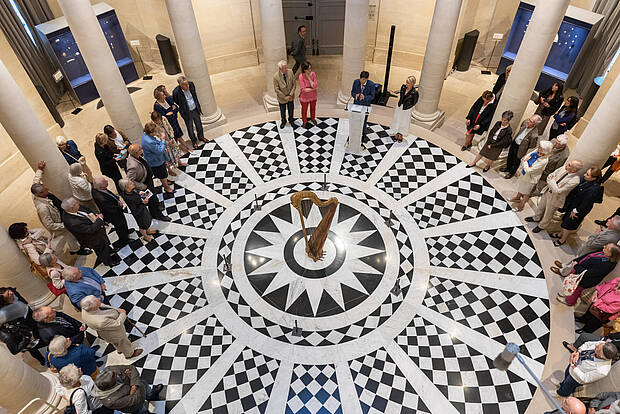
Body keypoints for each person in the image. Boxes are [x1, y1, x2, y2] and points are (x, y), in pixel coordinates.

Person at [31, 162, 87, 256]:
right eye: (45, 190)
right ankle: (75, 250)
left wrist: (39, 169)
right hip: (60, 221)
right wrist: (64, 225)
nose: (47, 188)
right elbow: (49, 225)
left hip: (60, 212)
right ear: (40, 194)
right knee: (69, 236)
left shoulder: (36, 191)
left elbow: (35, 180)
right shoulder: (42, 208)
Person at [526, 160, 583, 233]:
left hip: (556, 198)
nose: (566, 165)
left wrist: (552, 181)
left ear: (574, 170)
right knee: (541, 206)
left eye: (569, 165)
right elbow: (550, 176)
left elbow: (558, 191)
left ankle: (541, 226)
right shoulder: (564, 168)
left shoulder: (575, 181)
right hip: (547, 191)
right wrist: (553, 183)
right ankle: (536, 218)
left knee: (548, 214)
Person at [61, 197, 120, 267]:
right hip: (93, 239)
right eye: (76, 203)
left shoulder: (75, 208)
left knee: (105, 244)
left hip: (98, 231)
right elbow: (90, 230)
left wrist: (95, 215)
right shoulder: (72, 222)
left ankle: (109, 251)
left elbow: (87, 210)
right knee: (101, 250)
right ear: (72, 208)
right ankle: (108, 261)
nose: (78, 203)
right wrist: (99, 219)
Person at [552, 168, 604, 246]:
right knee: (565, 221)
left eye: (587, 174)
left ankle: (562, 239)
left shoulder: (594, 189)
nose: (584, 175)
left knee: (567, 225)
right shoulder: (586, 181)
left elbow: (586, 203)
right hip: (573, 205)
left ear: (594, 178)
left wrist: (575, 211)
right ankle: (560, 234)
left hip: (578, 210)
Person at [555, 244, 620, 306]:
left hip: (585, 280)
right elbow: (588, 255)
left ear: (611, 254)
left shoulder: (607, 265)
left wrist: (576, 266)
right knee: (572, 286)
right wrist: (577, 261)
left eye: (606, 248)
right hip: (580, 271)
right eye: (606, 245)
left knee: (576, 290)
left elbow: (588, 273)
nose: (604, 246)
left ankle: (570, 302)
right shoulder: (602, 252)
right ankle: (568, 295)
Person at [551, 340, 618, 396]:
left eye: (597, 349)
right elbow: (587, 344)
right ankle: (561, 384)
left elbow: (585, 378)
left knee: (568, 386)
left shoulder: (603, 371)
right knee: (566, 375)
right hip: (574, 364)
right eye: (598, 345)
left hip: (576, 377)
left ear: (601, 356)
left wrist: (573, 366)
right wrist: (578, 352)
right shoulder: (602, 344)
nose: (596, 346)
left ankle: (560, 393)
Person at [0, 287, 45, 365]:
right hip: (22, 324)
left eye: (9, 291)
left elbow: (24, 302)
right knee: (31, 347)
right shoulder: (5, 312)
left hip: (30, 315)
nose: (11, 293)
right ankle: (42, 361)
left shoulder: (13, 292)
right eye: (8, 295)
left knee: (41, 333)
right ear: (4, 302)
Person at [126, 144, 170, 222]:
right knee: (152, 200)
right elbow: (130, 181)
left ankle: (155, 210)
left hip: (148, 181)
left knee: (153, 198)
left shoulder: (136, 156)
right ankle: (158, 215)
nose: (142, 149)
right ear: (136, 153)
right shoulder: (133, 166)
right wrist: (143, 186)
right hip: (144, 185)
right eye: (140, 149)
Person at [92, 365, 163, 413]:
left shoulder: (110, 370)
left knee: (145, 387)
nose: (115, 373)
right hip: (133, 406)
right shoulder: (111, 401)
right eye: (114, 377)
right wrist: (133, 381)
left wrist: (133, 385)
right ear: (110, 385)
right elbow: (136, 400)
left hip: (136, 387)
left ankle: (151, 395)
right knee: (141, 410)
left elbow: (132, 368)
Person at [510, 140, 554, 211]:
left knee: (526, 193)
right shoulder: (537, 151)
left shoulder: (543, 161)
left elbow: (529, 170)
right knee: (521, 188)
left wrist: (525, 162)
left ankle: (521, 206)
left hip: (530, 179)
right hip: (524, 174)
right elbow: (525, 157)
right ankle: (517, 198)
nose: (538, 147)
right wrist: (526, 161)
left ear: (544, 150)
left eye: (540, 147)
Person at [92, 176, 130, 249]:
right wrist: (120, 206)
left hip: (115, 209)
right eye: (105, 181)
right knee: (120, 227)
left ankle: (126, 232)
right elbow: (112, 209)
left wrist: (117, 199)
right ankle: (124, 241)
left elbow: (109, 194)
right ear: (101, 187)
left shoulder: (99, 189)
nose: (107, 181)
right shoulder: (101, 198)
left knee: (123, 224)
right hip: (114, 215)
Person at [500, 114, 541, 179]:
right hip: (515, 143)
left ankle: (511, 173)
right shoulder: (525, 122)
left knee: (516, 161)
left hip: (521, 148)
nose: (528, 122)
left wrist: (525, 146)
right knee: (510, 156)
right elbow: (521, 128)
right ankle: (508, 168)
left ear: (535, 124)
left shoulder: (534, 134)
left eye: (531, 122)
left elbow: (532, 145)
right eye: (529, 119)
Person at [172, 75, 206, 149]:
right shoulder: (176, 92)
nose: (187, 86)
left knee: (199, 124)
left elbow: (194, 95)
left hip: (195, 109)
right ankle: (194, 141)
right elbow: (176, 101)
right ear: (180, 85)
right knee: (190, 128)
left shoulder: (191, 84)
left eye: (187, 83)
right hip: (187, 112)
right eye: (185, 85)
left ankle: (201, 137)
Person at [118, 179, 156, 243]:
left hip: (143, 210)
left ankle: (148, 231)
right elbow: (135, 210)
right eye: (130, 184)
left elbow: (137, 197)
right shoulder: (129, 198)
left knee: (147, 221)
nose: (133, 183)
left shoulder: (131, 191)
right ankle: (145, 236)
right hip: (139, 214)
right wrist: (143, 203)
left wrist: (140, 193)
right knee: (142, 226)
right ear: (126, 187)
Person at [151, 111, 187, 176]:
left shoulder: (164, 118)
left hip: (170, 138)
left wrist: (172, 136)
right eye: (156, 120)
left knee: (176, 151)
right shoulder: (153, 126)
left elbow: (170, 127)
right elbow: (157, 137)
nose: (157, 121)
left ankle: (179, 162)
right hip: (163, 143)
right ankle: (169, 170)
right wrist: (167, 143)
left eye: (158, 119)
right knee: (167, 157)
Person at [141, 122, 173, 193]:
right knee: (162, 174)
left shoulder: (145, 133)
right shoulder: (149, 142)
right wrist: (163, 140)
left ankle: (165, 181)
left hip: (155, 158)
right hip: (156, 161)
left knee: (162, 173)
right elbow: (160, 151)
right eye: (155, 131)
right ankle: (166, 187)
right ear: (151, 133)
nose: (157, 132)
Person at [390, 75, 419, 142]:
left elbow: (414, 102)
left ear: (412, 83)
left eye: (408, 83)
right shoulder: (403, 87)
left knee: (404, 122)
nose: (406, 84)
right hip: (400, 106)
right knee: (397, 119)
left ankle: (401, 135)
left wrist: (408, 107)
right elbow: (401, 96)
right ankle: (396, 133)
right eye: (406, 82)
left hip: (406, 109)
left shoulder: (414, 93)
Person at [351, 70, 376, 143]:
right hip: (357, 105)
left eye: (363, 80)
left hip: (365, 105)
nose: (362, 81)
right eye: (361, 79)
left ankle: (364, 135)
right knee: (355, 120)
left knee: (364, 121)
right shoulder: (356, 82)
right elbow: (352, 92)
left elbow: (372, 96)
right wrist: (355, 95)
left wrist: (364, 97)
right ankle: (354, 134)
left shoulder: (371, 85)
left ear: (367, 79)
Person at [274, 60, 297, 129]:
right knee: (282, 111)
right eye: (285, 68)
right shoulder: (276, 76)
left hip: (290, 97)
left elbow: (294, 84)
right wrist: (284, 97)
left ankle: (291, 120)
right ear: (280, 69)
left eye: (286, 67)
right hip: (282, 98)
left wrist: (290, 95)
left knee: (291, 109)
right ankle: (283, 121)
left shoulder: (290, 72)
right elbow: (276, 89)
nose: (286, 69)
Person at [298, 61, 317, 129]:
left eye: (310, 68)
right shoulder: (301, 76)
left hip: (313, 96)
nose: (310, 70)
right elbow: (303, 89)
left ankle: (313, 118)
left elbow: (314, 85)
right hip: (304, 97)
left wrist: (309, 78)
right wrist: (312, 89)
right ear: (304, 70)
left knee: (313, 108)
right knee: (304, 110)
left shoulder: (313, 74)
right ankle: (304, 121)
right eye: (308, 69)